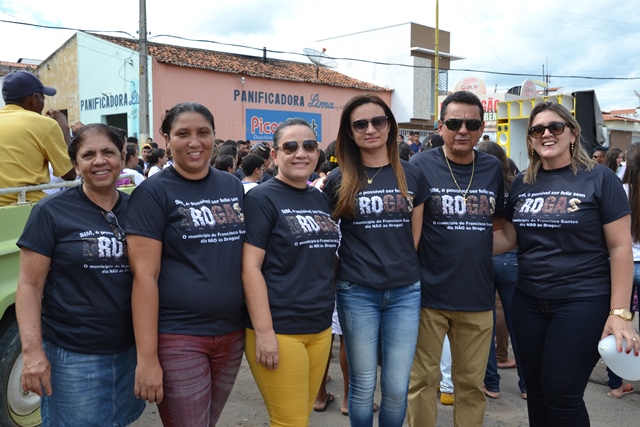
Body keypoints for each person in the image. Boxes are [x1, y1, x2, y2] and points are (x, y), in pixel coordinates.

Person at [494, 102, 640, 426]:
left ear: (572, 134)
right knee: (536, 390)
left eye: (555, 127)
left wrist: (620, 314)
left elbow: (620, 247)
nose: (546, 133)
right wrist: (452, 241)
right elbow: (508, 237)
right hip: (528, 300)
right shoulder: (523, 183)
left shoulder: (600, 179)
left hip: (581, 300)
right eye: (537, 129)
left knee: (561, 392)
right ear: (531, 140)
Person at [15, 123, 144, 426]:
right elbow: (29, 285)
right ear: (75, 164)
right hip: (73, 357)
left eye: (108, 152)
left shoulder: (138, 209)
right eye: (88, 155)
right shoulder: (51, 211)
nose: (99, 161)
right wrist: (32, 352)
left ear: (122, 156)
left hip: (129, 351)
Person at [126, 102, 246, 426]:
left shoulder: (231, 185)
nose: (194, 142)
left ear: (214, 136)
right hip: (179, 336)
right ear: (167, 138)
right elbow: (144, 276)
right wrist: (147, 358)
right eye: (183, 134)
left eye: (203, 133)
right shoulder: (153, 193)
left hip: (231, 334)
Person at [323, 94, 426, 427]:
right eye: (360, 124)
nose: (370, 129)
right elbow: (326, 239)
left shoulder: (412, 174)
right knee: (363, 384)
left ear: (390, 126)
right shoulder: (338, 179)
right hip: (356, 291)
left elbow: (414, 237)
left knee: (396, 387)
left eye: (378, 121)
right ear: (349, 132)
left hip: (405, 292)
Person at [407, 90, 504, 427]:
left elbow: (500, 225)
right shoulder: (420, 165)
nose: (463, 130)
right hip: (427, 296)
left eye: (472, 124)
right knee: (421, 382)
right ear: (440, 126)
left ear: (481, 128)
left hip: (477, 296)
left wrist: (474, 248)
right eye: (454, 123)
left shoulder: (493, 168)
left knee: (471, 386)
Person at [242, 118, 340, 426]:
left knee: (301, 415)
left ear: (317, 153)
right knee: (291, 421)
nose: (301, 153)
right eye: (290, 147)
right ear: (274, 155)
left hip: (320, 327)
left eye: (309, 146)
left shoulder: (319, 198)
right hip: (280, 329)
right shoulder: (261, 198)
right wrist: (264, 333)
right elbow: (250, 267)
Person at [476, 140, 527, 400]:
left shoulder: (480, 185)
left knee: (485, 323)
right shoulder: (515, 185)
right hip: (512, 257)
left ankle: (492, 384)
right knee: (517, 323)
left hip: (484, 256)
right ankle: (527, 385)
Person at [0, 70, 75, 206]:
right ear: (34, 98)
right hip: (29, 206)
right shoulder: (45, 124)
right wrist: (64, 129)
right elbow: (69, 175)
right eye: (43, 98)